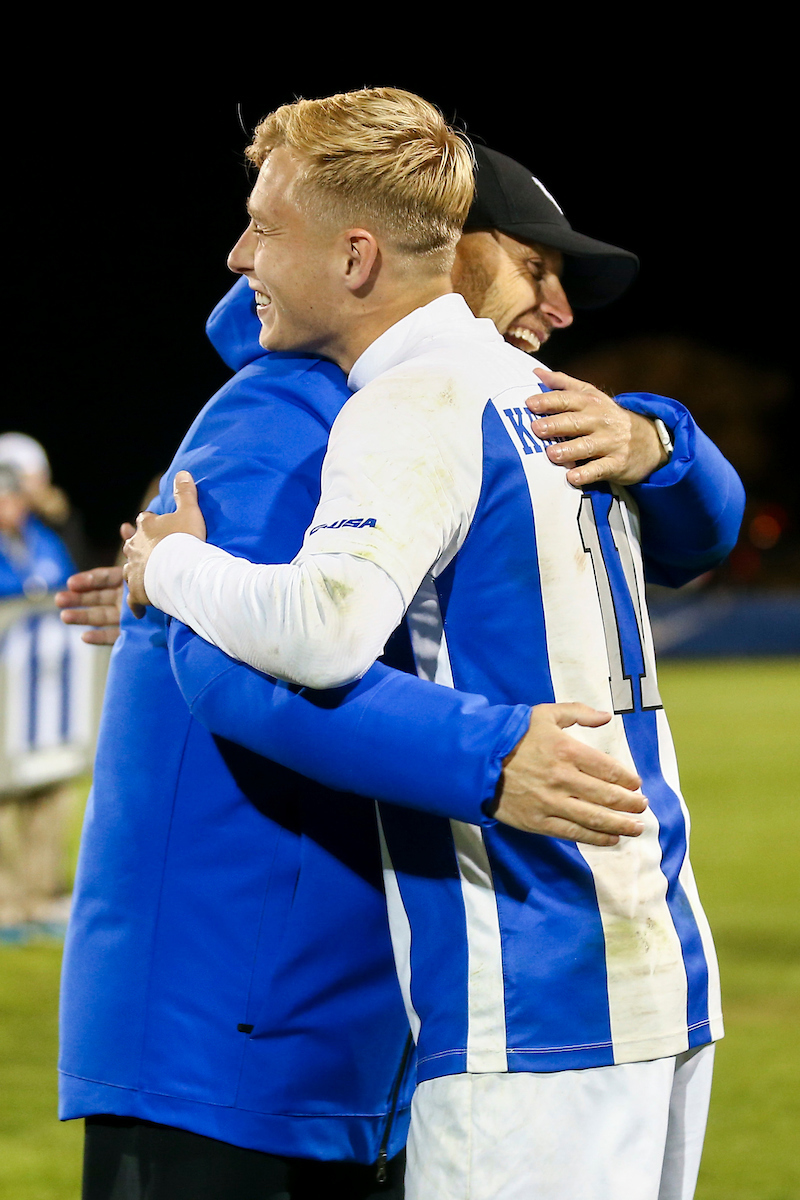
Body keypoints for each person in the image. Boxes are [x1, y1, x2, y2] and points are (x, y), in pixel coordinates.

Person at [122, 88, 742, 1200]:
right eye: (538, 267)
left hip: (529, 977)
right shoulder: (543, 399)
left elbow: (319, 631)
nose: (237, 256)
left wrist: (166, 565)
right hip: (654, 966)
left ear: (357, 255)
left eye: (261, 229)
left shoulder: (417, 396)